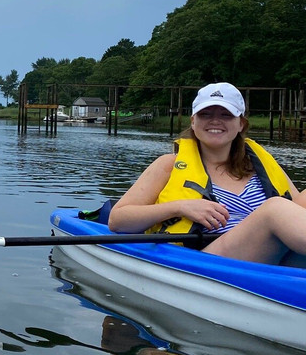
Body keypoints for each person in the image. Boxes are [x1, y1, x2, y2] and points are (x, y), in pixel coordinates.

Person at [108, 82, 306, 265]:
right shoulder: (169, 165)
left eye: (226, 115)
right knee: (274, 209)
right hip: (206, 260)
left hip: (275, 257)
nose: (215, 121)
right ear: (193, 122)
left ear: (241, 124)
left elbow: (297, 210)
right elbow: (117, 220)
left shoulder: (261, 165)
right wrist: (179, 207)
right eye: (205, 114)